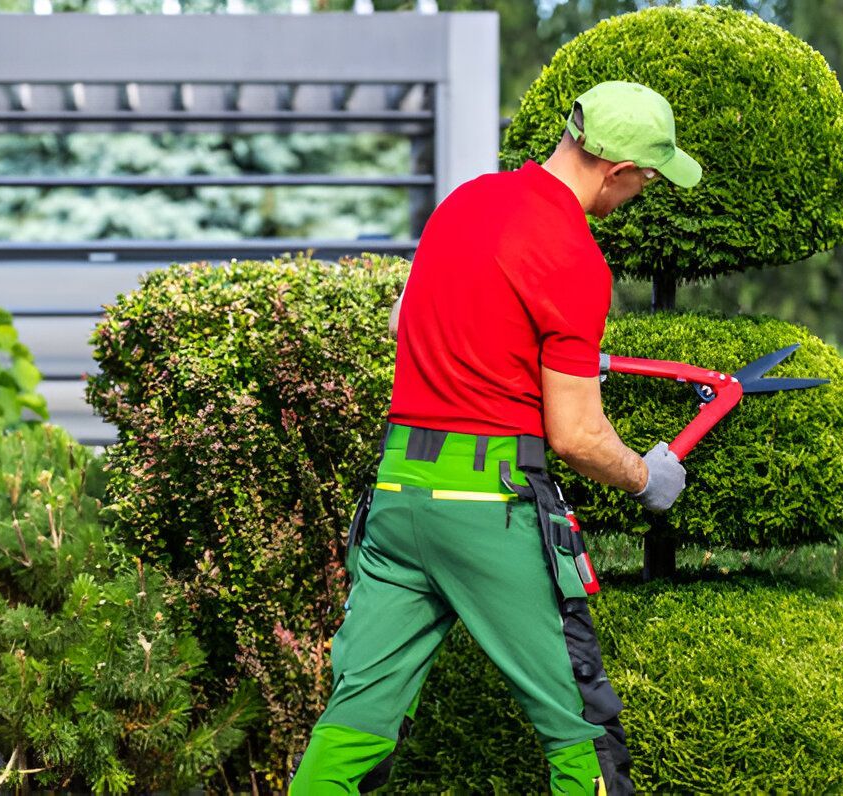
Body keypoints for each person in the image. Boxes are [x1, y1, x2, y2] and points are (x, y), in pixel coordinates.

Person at [289, 81, 702, 795]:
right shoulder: (574, 256)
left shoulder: (464, 203)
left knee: (355, 724)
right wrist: (646, 476)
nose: (644, 192)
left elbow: (402, 325)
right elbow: (575, 435)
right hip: (489, 506)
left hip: (396, 499)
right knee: (582, 729)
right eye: (649, 178)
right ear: (618, 169)